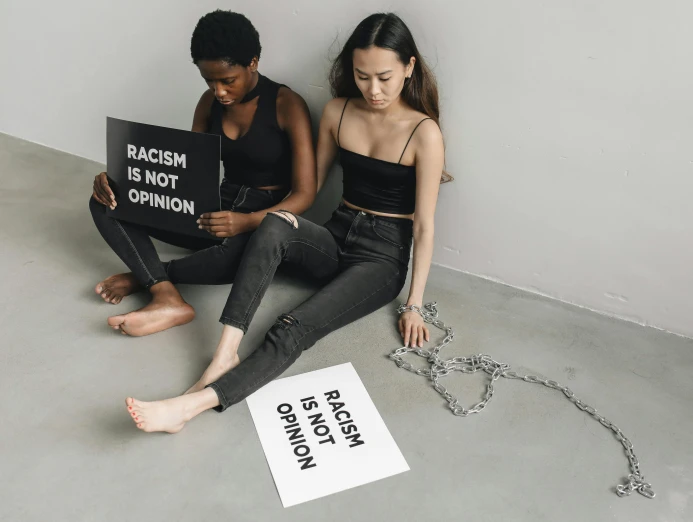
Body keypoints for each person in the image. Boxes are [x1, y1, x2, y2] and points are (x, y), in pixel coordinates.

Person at [125, 12, 449, 433]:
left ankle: (192, 406)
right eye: (362, 75)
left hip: (381, 257)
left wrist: (414, 304)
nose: (373, 89)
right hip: (336, 234)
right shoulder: (338, 111)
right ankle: (226, 350)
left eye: (385, 77)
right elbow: (306, 191)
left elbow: (423, 226)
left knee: (294, 326)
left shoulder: (425, 133)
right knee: (275, 222)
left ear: (409, 68)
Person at [89, 10, 316, 336]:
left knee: (244, 257)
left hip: (264, 218)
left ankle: (149, 274)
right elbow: (189, 172)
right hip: (216, 204)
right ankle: (164, 293)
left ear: (252, 62)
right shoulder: (208, 104)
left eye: (228, 80)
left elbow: (306, 193)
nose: (219, 91)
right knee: (105, 201)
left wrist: (248, 221)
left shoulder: (286, 104)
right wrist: (120, 179)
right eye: (209, 81)